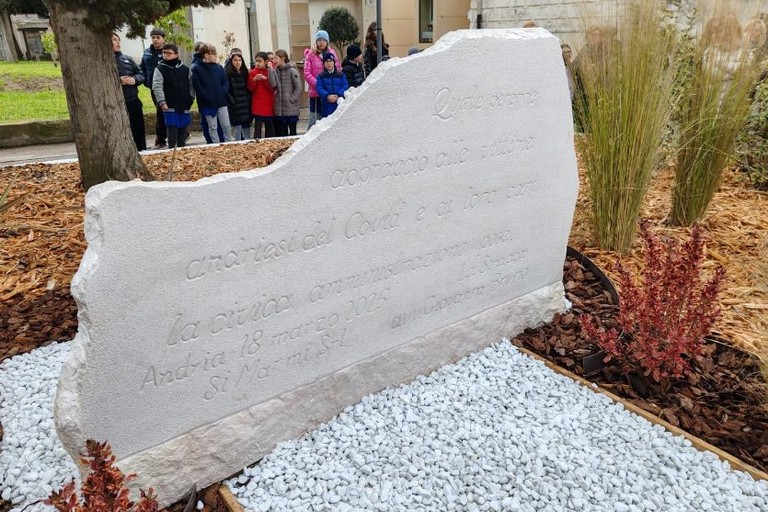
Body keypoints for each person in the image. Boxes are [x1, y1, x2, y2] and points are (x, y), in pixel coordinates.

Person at [151, 43, 195, 149]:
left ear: (176, 54)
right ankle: (172, 151)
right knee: (172, 131)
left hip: (184, 104)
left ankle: (182, 150)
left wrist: (191, 98)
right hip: (169, 105)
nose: (166, 55)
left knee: (183, 131)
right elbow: (157, 86)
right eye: (164, 52)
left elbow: (191, 85)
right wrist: (162, 102)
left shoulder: (185, 69)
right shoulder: (160, 69)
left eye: (169, 53)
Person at [192, 43, 233, 144]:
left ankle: (229, 143)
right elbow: (198, 86)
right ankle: (216, 144)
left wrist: (222, 92)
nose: (216, 56)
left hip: (221, 101)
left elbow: (225, 82)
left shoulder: (219, 68)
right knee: (212, 127)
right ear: (206, 55)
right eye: (214, 54)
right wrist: (207, 97)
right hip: (207, 103)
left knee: (226, 125)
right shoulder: (196, 68)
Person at [112, 33, 146, 151]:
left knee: (138, 128)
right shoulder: (103, 61)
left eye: (118, 40)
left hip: (132, 100)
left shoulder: (127, 59)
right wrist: (118, 81)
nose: (118, 42)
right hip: (116, 103)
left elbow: (141, 74)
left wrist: (134, 80)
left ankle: (141, 150)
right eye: (114, 40)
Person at [304, 30, 340, 130]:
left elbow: (337, 70)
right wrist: (319, 85)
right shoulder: (310, 55)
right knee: (315, 118)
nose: (321, 42)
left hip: (329, 92)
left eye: (324, 40)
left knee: (328, 119)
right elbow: (307, 73)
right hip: (316, 93)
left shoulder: (332, 53)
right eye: (319, 40)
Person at [140, 27, 167, 149]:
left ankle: (161, 140)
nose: (155, 40)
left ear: (163, 39)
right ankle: (162, 139)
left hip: (166, 88)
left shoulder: (167, 52)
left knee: (163, 112)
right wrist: (146, 81)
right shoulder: (147, 53)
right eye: (153, 37)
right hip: (153, 88)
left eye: (158, 37)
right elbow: (142, 68)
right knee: (161, 112)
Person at [248, 51, 277, 139]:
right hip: (258, 105)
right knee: (257, 129)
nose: (257, 63)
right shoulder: (253, 72)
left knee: (270, 129)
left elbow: (272, 88)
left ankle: (270, 143)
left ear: (266, 61)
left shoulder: (270, 71)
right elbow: (250, 88)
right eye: (256, 61)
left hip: (268, 104)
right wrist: (254, 80)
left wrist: (265, 80)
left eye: (260, 61)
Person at [273, 49, 301, 137]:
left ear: (283, 58)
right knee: (282, 134)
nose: (274, 60)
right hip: (280, 108)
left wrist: (292, 99)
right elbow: (273, 84)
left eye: (276, 58)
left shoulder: (292, 71)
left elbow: (298, 86)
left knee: (292, 133)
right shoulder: (275, 71)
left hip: (291, 107)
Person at [225, 52, 252, 140]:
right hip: (235, 104)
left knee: (246, 125)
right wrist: (232, 101)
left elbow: (248, 87)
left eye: (240, 60)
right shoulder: (228, 73)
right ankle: (238, 142)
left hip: (245, 103)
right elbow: (226, 90)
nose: (238, 62)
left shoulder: (245, 73)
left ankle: (247, 141)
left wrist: (248, 99)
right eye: (235, 60)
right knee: (237, 126)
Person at [316, 52, 348, 119]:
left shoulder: (341, 75)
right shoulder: (321, 76)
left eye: (330, 61)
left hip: (339, 103)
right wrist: (327, 96)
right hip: (326, 105)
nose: (328, 63)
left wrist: (338, 95)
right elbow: (319, 88)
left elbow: (345, 86)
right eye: (326, 61)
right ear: (323, 63)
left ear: (334, 62)